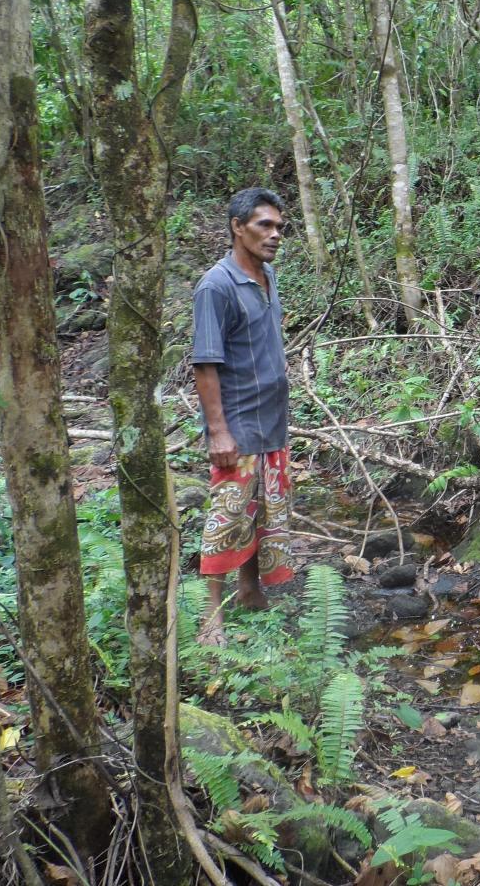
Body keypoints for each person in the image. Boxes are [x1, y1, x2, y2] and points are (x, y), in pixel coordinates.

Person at [192, 188, 295, 646]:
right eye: (264, 225)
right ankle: (210, 617)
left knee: (260, 511)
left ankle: (250, 591)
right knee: (227, 516)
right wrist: (218, 431)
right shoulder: (216, 286)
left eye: (279, 226)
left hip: (272, 421)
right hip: (236, 423)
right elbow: (206, 363)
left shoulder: (268, 275)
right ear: (238, 226)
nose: (275, 234)